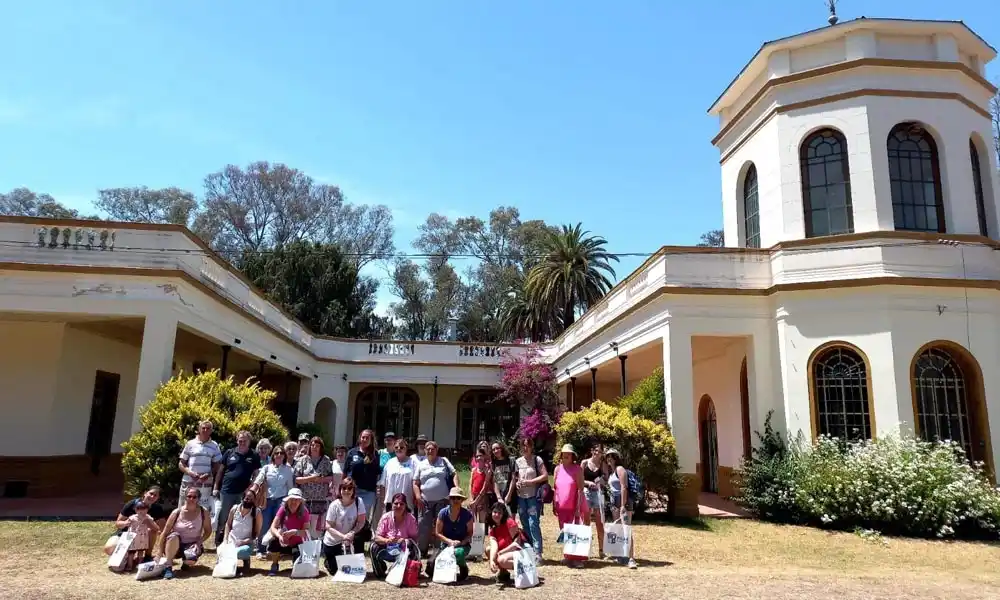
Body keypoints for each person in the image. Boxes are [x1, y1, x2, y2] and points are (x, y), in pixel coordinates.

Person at [214, 430, 261, 545]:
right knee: (224, 516)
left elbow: (256, 474)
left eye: (244, 441)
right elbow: (220, 471)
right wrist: (216, 486)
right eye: (240, 440)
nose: (242, 443)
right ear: (237, 441)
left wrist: (250, 488)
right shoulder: (229, 452)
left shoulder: (253, 455)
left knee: (240, 516)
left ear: (249, 442)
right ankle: (219, 540)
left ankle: (237, 541)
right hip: (227, 490)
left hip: (243, 493)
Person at [158, 487, 213, 580]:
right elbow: (164, 533)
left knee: (190, 561)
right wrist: (159, 552)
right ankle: (168, 567)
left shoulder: (204, 512)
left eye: (194, 497)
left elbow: (208, 531)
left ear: (198, 498)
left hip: (192, 545)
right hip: (175, 545)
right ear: (185, 497)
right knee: (174, 536)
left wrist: (199, 543)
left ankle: (186, 562)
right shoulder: (176, 512)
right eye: (189, 496)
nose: (191, 499)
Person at [412, 440, 456, 554]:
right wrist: (417, 497)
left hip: (442, 500)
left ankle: (439, 550)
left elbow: (454, 474)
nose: (430, 451)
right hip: (424, 501)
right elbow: (415, 483)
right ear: (425, 451)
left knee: (440, 525)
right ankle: (422, 550)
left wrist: (456, 488)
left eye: (433, 449)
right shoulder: (421, 464)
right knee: (423, 526)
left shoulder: (444, 461)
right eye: (428, 449)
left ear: (437, 450)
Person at [252, 445, 295, 557]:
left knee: (278, 526)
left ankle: (275, 549)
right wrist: (252, 492)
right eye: (277, 453)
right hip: (267, 500)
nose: (279, 455)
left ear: (284, 455)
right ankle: (260, 550)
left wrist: (290, 503)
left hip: (281, 501)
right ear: (273, 455)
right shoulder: (267, 468)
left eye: (281, 453)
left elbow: (290, 487)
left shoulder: (288, 469)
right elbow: (258, 481)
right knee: (264, 525)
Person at [321, 477, 368, 574]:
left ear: (353, 490)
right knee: (336, 571)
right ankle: (328, 561)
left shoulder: (359, 502)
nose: (346, 491)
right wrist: (343, 536)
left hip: (350, 540)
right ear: (340, 490)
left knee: (352, 570)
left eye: (350, 488)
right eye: (344, 488)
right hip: (333, 541)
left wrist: (352, 533)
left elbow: (361, 522)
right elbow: (328, 526)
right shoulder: (334, 505)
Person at [104, 486, 168, 556]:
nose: (152, 496)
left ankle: (147, 556)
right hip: (127, 534)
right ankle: (125, 555)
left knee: (152, 530)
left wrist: (163, 548)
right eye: (151, 493)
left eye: (155, 495)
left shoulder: (157, 509)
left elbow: (163, 529)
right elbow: (118, 523)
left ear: (157, 498)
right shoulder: (131, 504)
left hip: (143, 536)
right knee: (109, 549)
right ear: (145, 493)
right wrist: (126, 523)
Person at [369, 492, 419, 579]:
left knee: (413, 549)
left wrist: (404, 540)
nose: (398, 506)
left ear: (405, 506)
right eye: (396, 503)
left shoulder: (411, 518)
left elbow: (414, 539)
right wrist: (386, 540)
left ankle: (407, 570)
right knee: (373, 546)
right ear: (392, 505)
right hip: (387, 548)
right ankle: (380, 572)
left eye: (401, 504)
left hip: (404, 550)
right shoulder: (385, 517)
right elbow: (377, 537)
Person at [428, 487, 473, 582]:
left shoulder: (467, 515)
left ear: (462, 500)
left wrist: (461, 543)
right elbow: (438, 532)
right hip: (445, 545)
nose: (455, 500)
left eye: (458, 498)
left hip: (462, 545)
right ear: (449, 499)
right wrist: (450, 542)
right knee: (430, 566)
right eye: (453, 498)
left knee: (458, 553)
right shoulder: (442, 513)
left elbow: (470, 533)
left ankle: (463, 569)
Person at [294, 436, 335, 539]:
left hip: (320, 499)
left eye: (317, 446)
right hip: (306, 499)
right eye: (312, 445)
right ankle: (304, 544)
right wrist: (310, 478)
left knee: (317, 527)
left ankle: (316, 545)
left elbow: (331, 477)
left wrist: (320, 480)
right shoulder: (303, 460)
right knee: (305, 523)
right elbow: (297, 479)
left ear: (321, 447)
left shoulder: (326, 460)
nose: (314, 447)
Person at [178, 420, 223, 511]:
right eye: (203, 428)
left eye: (208, 428)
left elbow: (217, 465)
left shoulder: (214, 445)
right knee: (183, 509)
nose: (205, 430)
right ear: (199, 429)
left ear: (211, 431)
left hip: (205, 485)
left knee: (202, 511)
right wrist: (190, 472)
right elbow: (181, 463)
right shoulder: (190, 443)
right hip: (188, 482)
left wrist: (209, 474)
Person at [265, 488, 311, 576]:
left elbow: (306, 531)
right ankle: (275, 564)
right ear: (287, 500)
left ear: (300, 502)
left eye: (297, 500)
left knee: (297, 569)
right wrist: (279, 536)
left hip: (298, 543)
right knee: (273, 542)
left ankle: (295, 561)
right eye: (292, 499)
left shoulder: (305, 512)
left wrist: (295, 532)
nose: (294, 502)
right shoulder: (283, 509)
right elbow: (273, 527)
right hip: (284, 541)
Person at [515, 437, 548, 556]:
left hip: (533, 496)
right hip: (521, 496)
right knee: (524, 521)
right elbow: (515, 477)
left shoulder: (537, 460)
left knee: (533, 522)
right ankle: (530, 547)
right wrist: (517, 482)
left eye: (527, 445)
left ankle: (538, 551)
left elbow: (544, 476)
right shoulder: (518, 461)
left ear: (531, 447)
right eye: (523, 445)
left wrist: (531, 482)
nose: (525, 448)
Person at [553, 444, 585, 567]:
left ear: (572, 456)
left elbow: (580, 490)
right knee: (565, 532)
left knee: (575, 532)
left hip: (573, 507)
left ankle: (577, 559)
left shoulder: (577, 469)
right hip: (561, 507)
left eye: (568, 453)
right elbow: (555, 488)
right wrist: (554, 504)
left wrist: (578, 507)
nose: (566, 455)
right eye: (564, 453)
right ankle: (568, 556)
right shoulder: (557, 469)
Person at [605, 448, 637, 569]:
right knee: (618, 529)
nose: (609, 458)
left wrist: (623, 505)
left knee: (626, 528)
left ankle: (631, 558)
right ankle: (621, 556)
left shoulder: (619, 469)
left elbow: (624, 487)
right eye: (608, 456)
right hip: (615, 502)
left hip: (623, 501)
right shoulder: (612, 472)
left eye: (612, 456)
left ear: (616, 458)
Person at [222, 489, 263, 576]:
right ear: (243, 498)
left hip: (246, 543)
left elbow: (257, 533)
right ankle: (234, 567)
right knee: (223, 552)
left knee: (239, 552)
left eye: (251, 499)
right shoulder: (234, 509)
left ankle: (246, 560)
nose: (249, 501)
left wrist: (245, 542)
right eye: (247, 498)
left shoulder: (257, 512)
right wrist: (225, 539)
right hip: (232, 541)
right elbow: (228, 524)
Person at [345, 429, 382, 516]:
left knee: (363, 516)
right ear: (359, 438)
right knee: (350, 515)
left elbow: (377, 473)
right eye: (363, 437)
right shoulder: (352, 452)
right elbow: (345, 471)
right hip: (352, 490)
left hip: (368, 491)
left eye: (367, 438)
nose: (364, 440)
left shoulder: (375, 454)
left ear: (371, 440)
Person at [486, 502, 522, 587]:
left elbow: (516, 544)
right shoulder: (492, 527)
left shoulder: (509, 523)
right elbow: (494, 545)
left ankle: (522, 569)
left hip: (517, 550)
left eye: (500, 513)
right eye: (495, 512)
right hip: (505, 552)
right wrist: (491, 561)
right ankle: (503, 572)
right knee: (488, 550)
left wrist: (501, 552)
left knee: (501, 560)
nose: (497, 515)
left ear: (503, 514)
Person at [118, 500, 160, 571]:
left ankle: (140, 565)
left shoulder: (148, 517)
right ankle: (129, 565)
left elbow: (155, 527)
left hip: (142, 538)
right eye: (139, 509)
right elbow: (126, 524)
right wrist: (127, 523)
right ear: (135, 510)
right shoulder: (132, 517)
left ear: (147, 510)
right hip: (133, 537)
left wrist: (149, 523)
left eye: (144, 509)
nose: (141, 511)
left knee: (141, 552)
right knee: (131, 553)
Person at [582, 443, 607, 558]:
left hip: (598, 493)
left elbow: (606, 480)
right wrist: (588, 483)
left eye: (600, 451)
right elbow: (579, 479)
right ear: (592, 451)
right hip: (586, 492)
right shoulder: (585, 463)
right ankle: (586, 549)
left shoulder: (603, 465)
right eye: (595, 450)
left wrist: (601, 481)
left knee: (599, 522)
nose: (597, 453)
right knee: (586, 521)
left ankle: (602, 550)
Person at [379, 438, 416, 512]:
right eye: (396, 447)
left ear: (406, 449)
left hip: (407, 502)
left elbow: (416, 483)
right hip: (391, 502)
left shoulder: (413, 462)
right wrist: (382, 500)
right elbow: (382, 483)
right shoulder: (390, 462)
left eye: (402, 447)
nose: (399, 449)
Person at [490, 442, 517, 517]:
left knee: (510, 520)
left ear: (502, 448)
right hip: (498, 496)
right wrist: (498, 497)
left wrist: (509, 495)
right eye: (493, 449)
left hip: (510, 495)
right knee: (499, 520)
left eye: (497, 448)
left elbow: (513, 478)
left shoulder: (511, 460)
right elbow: (494, 481)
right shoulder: (493, 463)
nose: (495, 451)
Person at [469, 444, 493, 524]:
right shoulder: (473, 470)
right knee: (473, 520)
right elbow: (470, 485)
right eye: (477, 456)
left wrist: (477, 500)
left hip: (482, 498)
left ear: (484, 457)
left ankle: (481, 535)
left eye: (481, 456)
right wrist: (471, 498)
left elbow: (485, 487)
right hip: (473, 497)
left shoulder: (487, 471)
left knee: (481, 521)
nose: (479, 458)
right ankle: (474, 536)